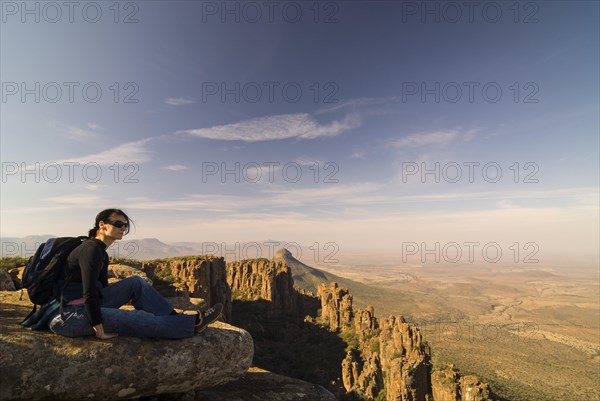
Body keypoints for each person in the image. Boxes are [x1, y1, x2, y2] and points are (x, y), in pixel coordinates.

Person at [47, 208, 222, 339]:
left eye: (125, 225)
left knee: (136, 282)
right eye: (118, 224)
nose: (123, 228)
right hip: (69, 317)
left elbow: (102, 290)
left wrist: (108, 310)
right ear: (102, 225)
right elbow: (90, 292)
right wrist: (98, 327)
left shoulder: (101, 251)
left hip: (85, 307)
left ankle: (172, 318)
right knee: (138, 318)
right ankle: (193, 324)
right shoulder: (91, 249)